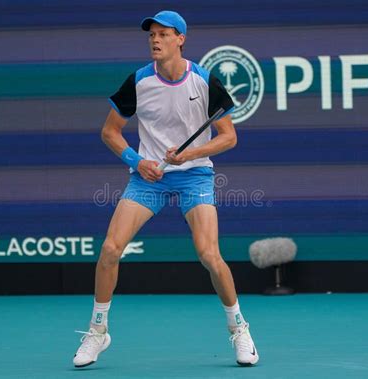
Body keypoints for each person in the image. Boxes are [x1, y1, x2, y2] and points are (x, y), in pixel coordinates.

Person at [73, 10, 259, 367]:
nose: (155, 40)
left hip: (195, 177)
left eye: (163, 34)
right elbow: (109, 132)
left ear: (180, 39)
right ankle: (98, 332)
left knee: (209, 254)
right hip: (149, 178)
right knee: (111, 248)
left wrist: (190, 154)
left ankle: (239, 329)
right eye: (151, 35)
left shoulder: (204, 81)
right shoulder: (139, 81)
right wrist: (135, 160)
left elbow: (229, 137)